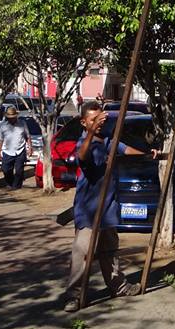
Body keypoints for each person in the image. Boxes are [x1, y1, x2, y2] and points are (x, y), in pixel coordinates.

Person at [62, 100, 158, 313]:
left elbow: (125, 149)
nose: (97, 123)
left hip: (107, 208)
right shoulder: (84, 143)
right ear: (84, 122)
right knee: (82, 252)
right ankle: (74, 296)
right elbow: (81, 157)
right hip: (88, 211)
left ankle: (119, 286)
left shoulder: (107, 142)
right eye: (93, 120)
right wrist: (90, 133)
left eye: (100, 119)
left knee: (110, 251)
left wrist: (147, 153)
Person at [0, 106, 31, 190]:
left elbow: (27, 136)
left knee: (19, 170)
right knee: (6, 169)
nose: (11, 119)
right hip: (7, 152)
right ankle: (10, 183)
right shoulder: (3, 126)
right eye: (10, 118)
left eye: (13, 117)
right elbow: (0, 140)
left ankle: (16, 186)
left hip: (20, 151)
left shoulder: (22, 124)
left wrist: (30, 147)